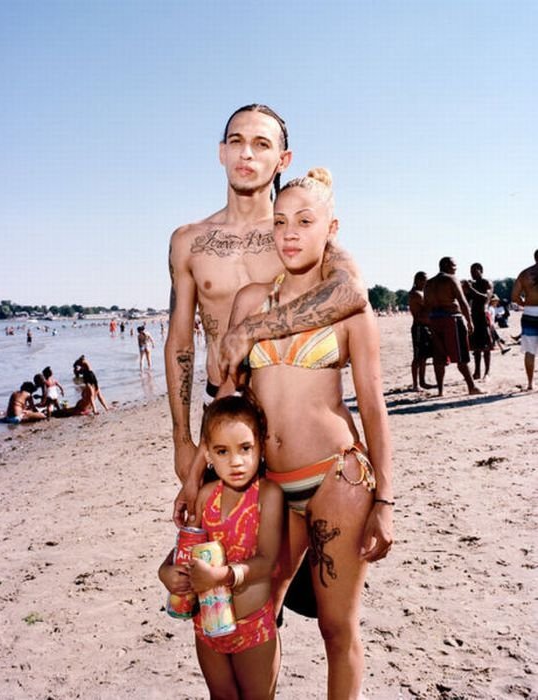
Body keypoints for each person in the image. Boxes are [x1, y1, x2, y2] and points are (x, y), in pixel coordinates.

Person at [177, 169, 392, 699]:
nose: (290, 233)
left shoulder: (350, 311)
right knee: (260, 606)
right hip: (268, 484)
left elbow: (372, 405)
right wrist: (194, 474)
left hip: (335, 477)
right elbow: (229, 401)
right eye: (280, 222)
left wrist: (385, 499)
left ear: (330, 228)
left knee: (335, 626)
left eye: (304, 221)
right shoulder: (250, 301)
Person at [165, 104, 367, 485]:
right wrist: (182, 440)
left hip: (293, 412)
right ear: (221, 152)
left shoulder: (298, 231)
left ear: (282, 160)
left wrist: (251, 329)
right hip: (225, 414)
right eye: (237, 142)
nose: (246, 154)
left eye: (261, 144)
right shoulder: (187, 242)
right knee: (219, 541)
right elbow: (179, 345)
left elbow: (351, 291)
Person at [159, 394, 283, 699]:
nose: (236, 461)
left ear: (261, 448)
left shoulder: (268, 495)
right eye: (222, 451)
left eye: (245, 449)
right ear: (208, 456)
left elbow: (267, 561)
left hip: (252, 627)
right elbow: (185, 545)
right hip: (207, 625)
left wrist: (222, 577)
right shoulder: (204, 496)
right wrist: (166, 571)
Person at [425, 257, 482, 397]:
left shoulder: (429, 283)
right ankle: (472, 387)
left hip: (434, 319)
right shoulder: (451, 279)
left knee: (439, 357)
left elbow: (427, 305)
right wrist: (469, 321)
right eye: (454, 266)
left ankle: (440, 390)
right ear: (447, 266)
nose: (456, 269)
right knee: (461, 355)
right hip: (451, 319)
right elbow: (462, 301)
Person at [512, 249, 538, 390]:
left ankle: (530, 383)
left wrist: (525, 303)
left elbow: (514, 296)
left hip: (529, 313)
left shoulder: (525, 274)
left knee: (530, 351)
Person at [465, 263, 494, 380]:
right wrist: (466, 290)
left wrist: (470, 289)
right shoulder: (473, 284)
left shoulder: (487, 283)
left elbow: (484, 298)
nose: (472, 273)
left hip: (484, 316)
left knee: (486, 347)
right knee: (476, 347)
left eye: (474, 271)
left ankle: (487, 372)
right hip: (474, 317)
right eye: (470, 271)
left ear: (481, 270)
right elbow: (467, 301)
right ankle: (477, 371)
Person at [408, 271, 434, 391]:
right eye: (424, 280)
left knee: (423, 356)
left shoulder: (422, 293)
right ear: (418, 280)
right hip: (419, 326)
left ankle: (422, 381)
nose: (426, 282)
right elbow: (428, 306)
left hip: (424, 326)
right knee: (418, 357)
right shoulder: (417, 294)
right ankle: (415, 384)